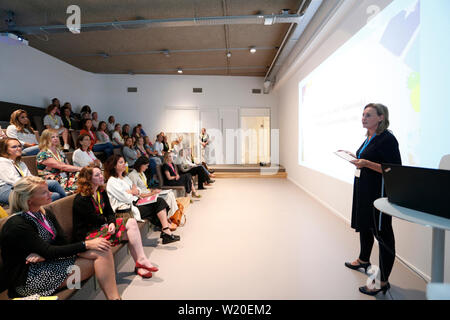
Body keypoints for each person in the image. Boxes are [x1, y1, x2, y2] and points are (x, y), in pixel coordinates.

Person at [0, 176, 121, 299]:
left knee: (103, 250)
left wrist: (45, 255)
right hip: (28, 279)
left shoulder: (44, 213)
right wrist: (86, 245)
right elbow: (48, 250)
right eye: (44, 192)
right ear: (29, 200)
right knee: (100, 259)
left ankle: (114, 298)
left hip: (48, 262)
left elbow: (61, 242)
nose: (51, 193)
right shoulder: (17, 224)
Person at [344, 103, 401, 296]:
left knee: (383, 235)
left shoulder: (387, 139)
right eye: (362, 115)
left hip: (378, 194)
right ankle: (363, 259)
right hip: (364, 190)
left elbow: (393, 169)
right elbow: (366, 159)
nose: (363, 118)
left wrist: (366, 163)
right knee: (365, 225)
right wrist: (356, 157)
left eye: (368, 115)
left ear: (381, 117)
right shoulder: (369, 136)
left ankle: (383, 281)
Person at [72, 165, 159, 279]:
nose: (101, 176)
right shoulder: (81, 199)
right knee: (130, 232)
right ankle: (140, 265)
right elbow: (94, 220)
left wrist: (112, 222)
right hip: (88, 235)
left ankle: (141, 260)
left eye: (101, 173)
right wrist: (109, 222)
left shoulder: (101, 191)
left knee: (131, 222)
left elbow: (109, 212)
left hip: (102, 227)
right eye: (97, 175)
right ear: (88, 179)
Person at [104, 155, 180, 244]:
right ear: (113, 166)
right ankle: (166, 231)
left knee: (159, 200)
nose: (124, 164)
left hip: (136, 201)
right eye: (121, 162)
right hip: (127, 209)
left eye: (124, 162)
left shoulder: (125, 178)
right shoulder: (112, 181)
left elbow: (138, 190)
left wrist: (132, 191)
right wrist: (133, 191)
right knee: (158, 203)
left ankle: (166, 231)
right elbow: (126, 198)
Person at [0, 138, 66, 204]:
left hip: (24, 185)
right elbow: (15, 182)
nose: (18, 148)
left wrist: (41, 184)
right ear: (5, 149)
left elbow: (30, 176)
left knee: (54, 183)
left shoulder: (20, 163)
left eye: (19, 146)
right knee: (54, 196)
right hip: (7, 189)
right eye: (14, 147)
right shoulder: (2, 161)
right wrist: (39, 188)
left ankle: (67, 204)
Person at [128, 156, 179, 222]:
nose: (147, 168)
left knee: (170, 193)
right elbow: (136, 194)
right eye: (146, 166)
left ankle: (169, 216)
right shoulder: (133, 175)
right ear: (141, 165)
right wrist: (152, 193)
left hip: (148, 192)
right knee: (166, 197)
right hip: (143, 197)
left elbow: (144, 187)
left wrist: (153, 190)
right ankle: (165, 219)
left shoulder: (141, 173)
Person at [36, 129, 81, 193]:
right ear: (45, 139)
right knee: (81, 175)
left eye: (57, 136)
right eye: (52, 137)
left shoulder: (59, 151)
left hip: (63, 175)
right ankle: (71, 191)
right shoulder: (43, 154)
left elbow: (67, 166)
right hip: (52, 179)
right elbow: (63, 167)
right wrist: (81, 168)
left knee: (83, 175)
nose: (56, 139)